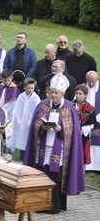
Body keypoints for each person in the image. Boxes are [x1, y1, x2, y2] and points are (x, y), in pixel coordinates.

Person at [23, 74, 85, 213]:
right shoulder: (43, 105)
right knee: (42, 174)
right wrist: (42, 128)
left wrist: (61, 130)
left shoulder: (69, 108)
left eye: (56, 93)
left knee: (55, 175)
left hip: (60, 149)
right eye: (52, 92)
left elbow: (73, 132)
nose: (53, 95)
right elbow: (34, 125)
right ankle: (39, 203)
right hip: (43, 147)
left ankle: (54, 206)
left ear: (62, 93)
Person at [8, 78, 40, 157]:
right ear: (25, 87)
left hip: (29, 123)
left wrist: (31, 121)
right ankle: (21, 156)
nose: (31, 90)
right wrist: (18, 120)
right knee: (21, 140)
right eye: (29, 88)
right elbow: (17, 109)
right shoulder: (21, 96)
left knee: (27, 141)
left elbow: (36, 111)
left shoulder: (35, 98)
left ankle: (27, 157)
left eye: (32, 88)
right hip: (20, 123)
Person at [73, 84, 95, 166]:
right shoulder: (70, 106)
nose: (78, 96)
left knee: (82, 159)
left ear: (85, 95)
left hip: (83, 137)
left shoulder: (90, 108)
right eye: (77, 93)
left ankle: (81, 176)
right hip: (70, 135)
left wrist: (83, 130)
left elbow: (92, 124)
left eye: (80, 94)